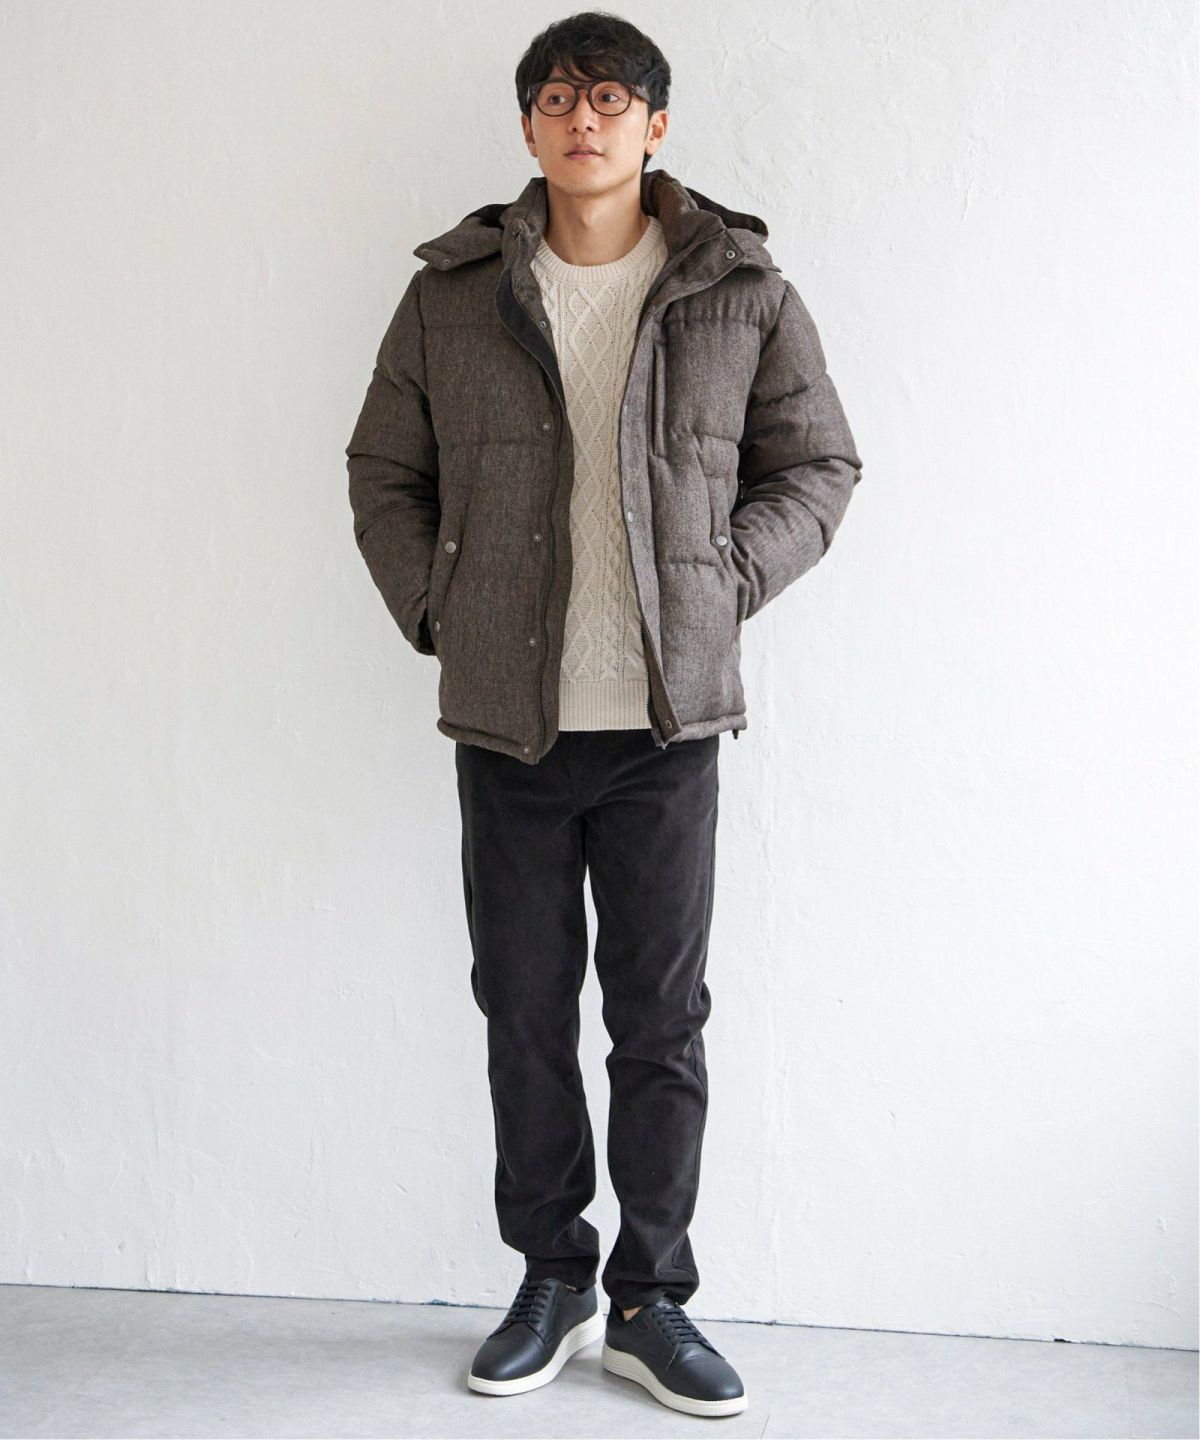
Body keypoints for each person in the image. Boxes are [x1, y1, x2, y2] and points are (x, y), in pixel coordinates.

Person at [345, 10, 863, 1420]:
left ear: (656, 125)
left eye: (614, 98)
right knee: (523, 1012)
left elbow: (818, 464)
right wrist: (440, 610)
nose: (587, 119)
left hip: (664, 731)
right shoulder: (454, 293)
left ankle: (652, 1297)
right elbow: (384, 471)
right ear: (528, 125)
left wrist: (721, 582)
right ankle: (552, 1277)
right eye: (560, 97)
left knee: (659, 1022)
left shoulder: (738, 286)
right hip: (509, 726)